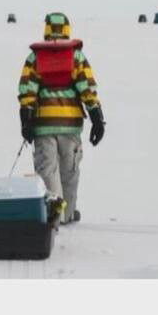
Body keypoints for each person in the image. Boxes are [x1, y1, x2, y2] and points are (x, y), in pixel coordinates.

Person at [17, 12, 105, 224]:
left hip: (43, 125)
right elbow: (87, 88)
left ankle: (53, 213)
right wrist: (97, 118)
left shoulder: (35, 57)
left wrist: (26, 121)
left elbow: (27, 91)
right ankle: (68, 213)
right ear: (67, 30)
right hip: (70, 126)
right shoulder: (76, 56)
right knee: (69, 171)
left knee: (47, 170)